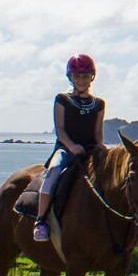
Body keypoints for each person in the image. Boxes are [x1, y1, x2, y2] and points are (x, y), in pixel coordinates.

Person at [34, 54, 106, 242]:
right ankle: (40, 222)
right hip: (66, 149)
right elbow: (60, 129)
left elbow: (97, 132)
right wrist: (72, 146)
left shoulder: (99, 104)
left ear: (92, 76)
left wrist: (101, 148)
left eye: (85, 75)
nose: (81, 80)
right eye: (76, 76)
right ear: (70, 78)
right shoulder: (62, 99)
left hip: (90, 150)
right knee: (54, 172)